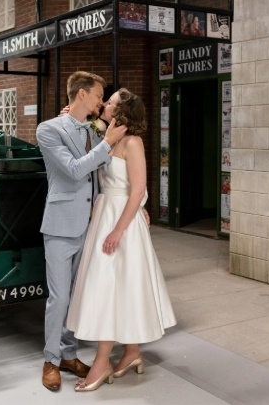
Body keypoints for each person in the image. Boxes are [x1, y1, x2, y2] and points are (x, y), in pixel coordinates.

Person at [66, 88, 177, 392]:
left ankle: (101, 364)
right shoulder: (108, 138)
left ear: (121, 111)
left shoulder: (133, 142)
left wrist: (119, 229)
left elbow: (138, 189)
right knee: (117, 286)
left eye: (110, 102)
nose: (104, 104)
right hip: (105, 212)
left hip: (120, 221)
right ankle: (131, 352)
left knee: (109, 286)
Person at [35, 71, 128, 392]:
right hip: (60, 225)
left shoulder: (92, 129)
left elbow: (104, 172)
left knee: (75, 296)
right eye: (99, 95)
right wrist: (107, 143)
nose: (102, 101)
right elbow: (75, 170)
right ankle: (50, 360)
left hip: (90, 225)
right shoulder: (48, 129)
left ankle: (69, 355)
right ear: (82, 95)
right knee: (59, 297)